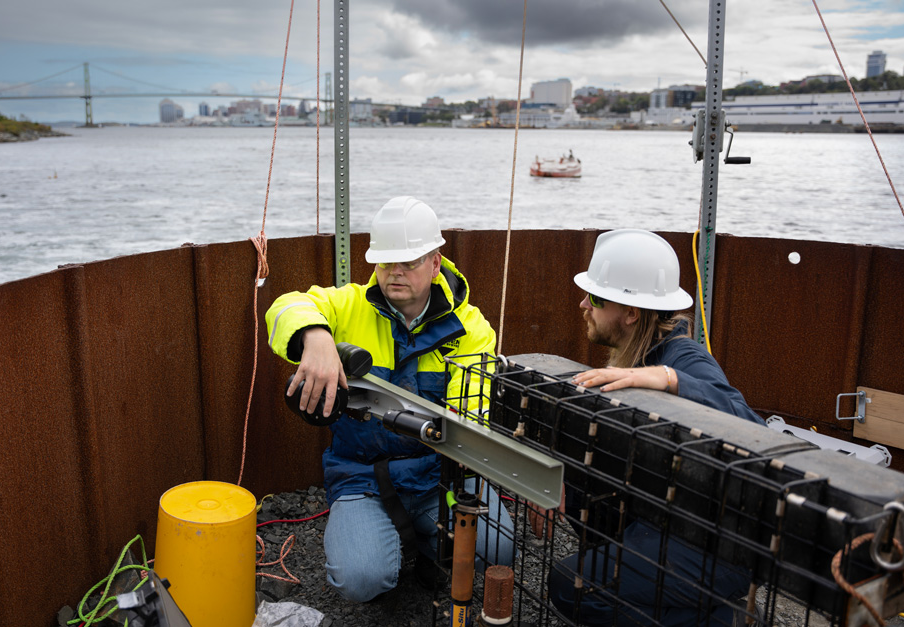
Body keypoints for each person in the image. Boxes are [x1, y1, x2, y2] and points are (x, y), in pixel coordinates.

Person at [265, 196, 513, 603]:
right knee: (360, 580)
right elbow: (285, 306)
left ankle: (431, 545)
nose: (395, 272)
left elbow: (472, 412)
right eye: (384, 262)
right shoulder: (347, 306)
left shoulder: (470, 328)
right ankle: (385, 546)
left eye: (410, 262)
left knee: (496, 549)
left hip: (439, 477)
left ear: (435, 263)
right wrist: (316, 336)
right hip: (362, 476)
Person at [538, 228, 765, 625]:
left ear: (630, 312)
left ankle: (724, 618)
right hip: (668, 521)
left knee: (570, 585)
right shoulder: (630, 354)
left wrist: (670, 379)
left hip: (717, 543)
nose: (582, 305)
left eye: (595, 298)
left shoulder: (683, 357)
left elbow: (755, 428)